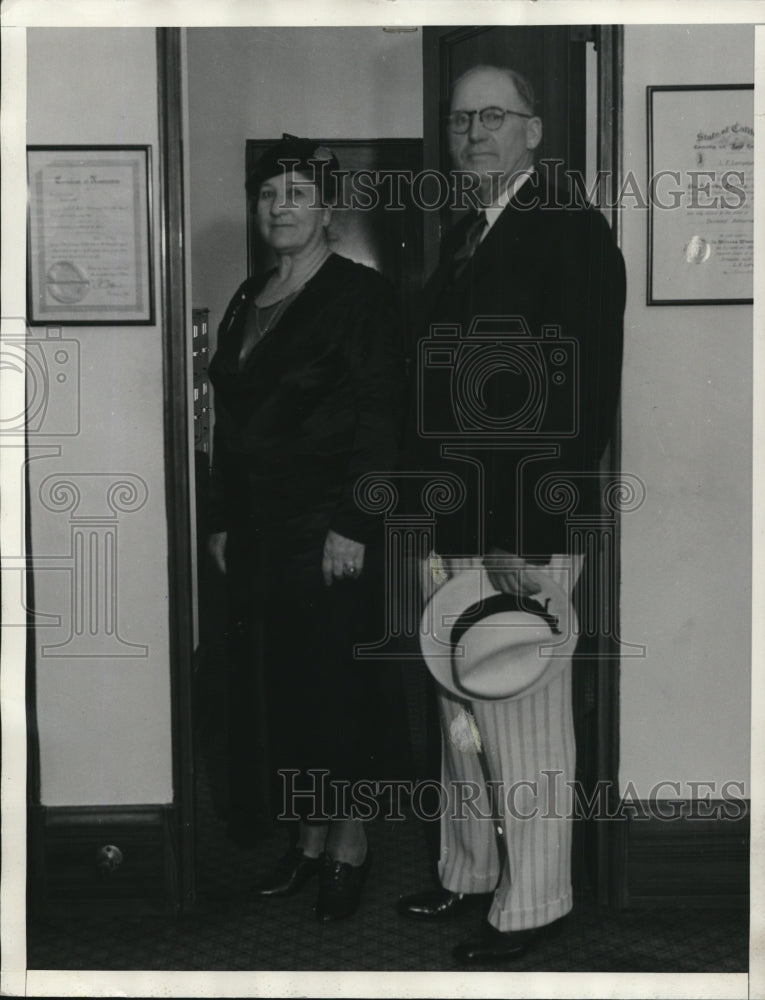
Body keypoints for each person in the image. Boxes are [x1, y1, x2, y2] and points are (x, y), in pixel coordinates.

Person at [397, 65, 626, 962]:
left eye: (493, 117)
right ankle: (469, 874)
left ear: (535, 131)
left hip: (519, 527)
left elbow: (581, 399)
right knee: (463, 708)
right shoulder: (468, 230)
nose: (473, 134)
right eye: (460, 121)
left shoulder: (568, 231)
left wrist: (523, 536)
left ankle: (535, 905)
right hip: (452, 521)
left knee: (521, 720)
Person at [207, 136, 406, 922]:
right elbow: (230, 413)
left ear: (326, 208)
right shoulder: (248, 294)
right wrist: (222, 516)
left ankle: (350, 840)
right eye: (268, 195)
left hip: (330, 529)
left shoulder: (362, 295)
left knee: (335, 691)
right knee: (279, 691)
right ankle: (308, 838)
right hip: (258, 532)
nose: (280, 206)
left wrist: (356, 520)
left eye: (296, 193)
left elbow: (380, 417)